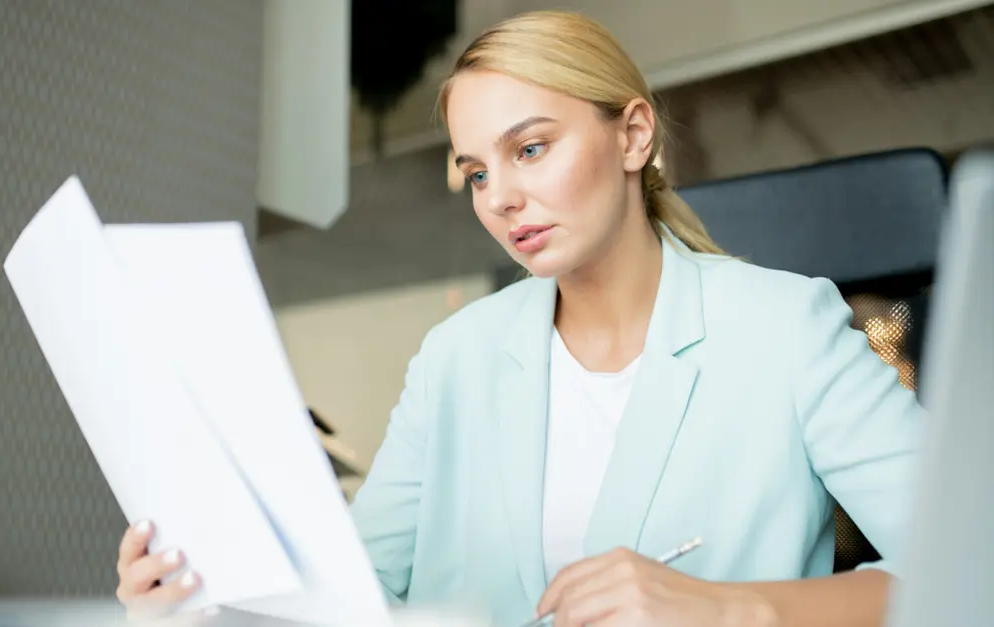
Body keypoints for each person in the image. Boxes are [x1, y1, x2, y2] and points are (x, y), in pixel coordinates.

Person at [115, 10, 923, 627]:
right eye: (475, 171)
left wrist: (727, 607)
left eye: (529, 148)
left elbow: (972, 570)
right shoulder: (455, 357)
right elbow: (352, 594)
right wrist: (204, 593)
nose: (498, 196)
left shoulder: (783, 328)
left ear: (633, 134)